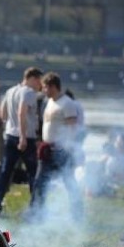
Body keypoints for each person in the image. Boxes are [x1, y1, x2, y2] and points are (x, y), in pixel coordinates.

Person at [29, 72, 84, 222]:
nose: (43, 90)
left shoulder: (67, 103)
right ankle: (36, 215)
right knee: (40, 184)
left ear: (53, 86)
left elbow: (73, 129)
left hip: (61, 151)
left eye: (45, 87)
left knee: (70, 184)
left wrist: (67, 148)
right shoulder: (49, 102)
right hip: (47, 151)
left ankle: (77, 215)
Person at [0, 67, 43, 215]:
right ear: (32, 78)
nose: (40, 85)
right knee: (33, 172)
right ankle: (35, 208)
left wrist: (12, 126)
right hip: (26, 137)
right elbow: (22, 112)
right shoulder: (29, 92)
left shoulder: (10, 91)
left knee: (6, 172)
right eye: (39, 81)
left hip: (10, 135)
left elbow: (3, 114)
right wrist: (23, 136)